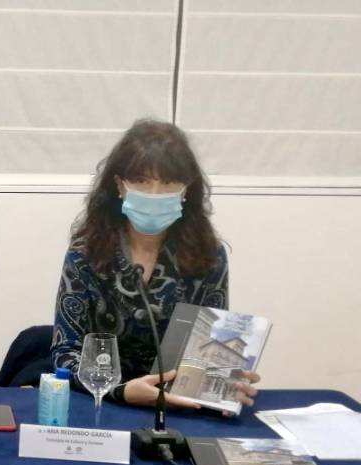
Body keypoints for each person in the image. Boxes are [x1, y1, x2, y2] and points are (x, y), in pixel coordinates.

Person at [52, 119, 259, 411]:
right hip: (102, 402)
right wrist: (121, 391)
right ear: (120, 185)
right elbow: (65, 353)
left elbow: (210, 351)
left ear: (186, 189)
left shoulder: (208, 255)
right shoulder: (87, 252)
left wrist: (224, 384)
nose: (154, 194)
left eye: (168, 184)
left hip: (174, 407)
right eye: (142, 182)